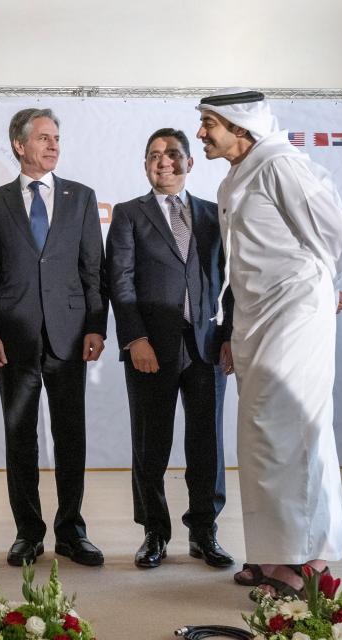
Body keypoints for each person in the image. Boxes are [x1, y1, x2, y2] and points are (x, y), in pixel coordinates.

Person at [195, 89, 342, 595]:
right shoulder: (235, 178)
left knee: (293, 434)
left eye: (209, 124)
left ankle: (302, 563)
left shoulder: (281, 165)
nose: (202, 133)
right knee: (262, 438)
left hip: (294, 315)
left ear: (241, 128)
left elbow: (333, 229)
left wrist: (337, 283)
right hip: (256, 319)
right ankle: (270, 554)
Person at [0, 108, 108, 567]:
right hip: (13, 340)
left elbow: (94, 270)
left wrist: (96, 325)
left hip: (70, 337)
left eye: (57, 138)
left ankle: (72, 531)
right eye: (44, 138)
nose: (53, 145)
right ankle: (28, 533)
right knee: (20, 438)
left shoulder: (82, 198)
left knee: (72, 436)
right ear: (20, 144)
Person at [106, 128, 234, 570]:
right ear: (145, 165)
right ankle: (154, 533)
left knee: (207, 445)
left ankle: (204, 532)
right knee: (150, 444)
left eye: (173, 154)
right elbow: (119, 282)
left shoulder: (212, 214)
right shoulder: (128, 214)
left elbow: (231, 279)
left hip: (206, 346)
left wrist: (231, 334)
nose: (165, 162)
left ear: (189, 163)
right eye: (155, 155)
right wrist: (135, 338)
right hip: (150, 348)